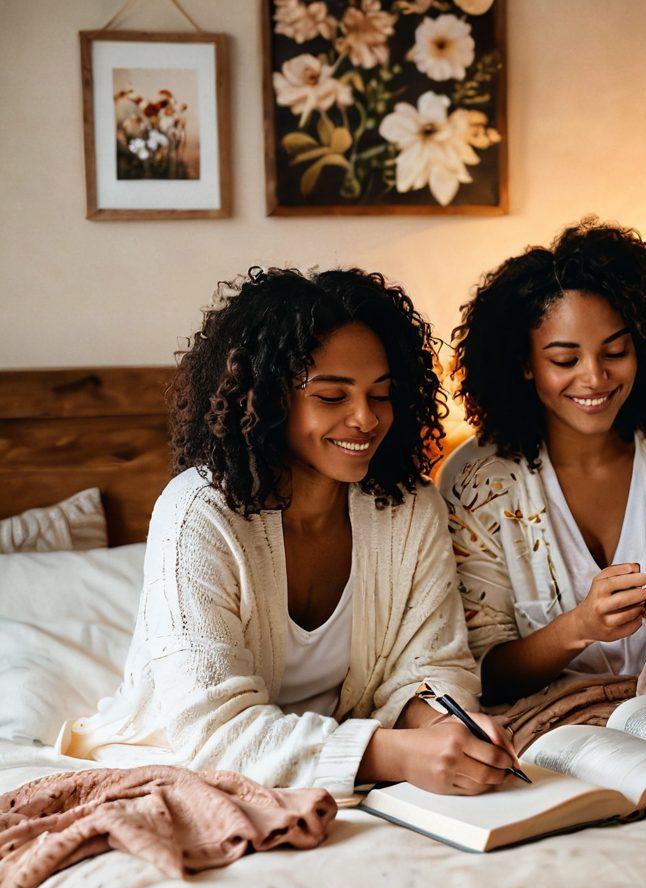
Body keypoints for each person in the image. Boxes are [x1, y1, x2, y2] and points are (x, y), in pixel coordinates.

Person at [60, 267, 519, 798]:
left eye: (381, 393)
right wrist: (396, 754)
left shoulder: (409, 508)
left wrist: (444, 728)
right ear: (270, 398)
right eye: (332, 397)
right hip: (179, 764)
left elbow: (430, 666)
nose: (366, 419)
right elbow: (213, 732)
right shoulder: (197, 515)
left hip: (352, 774)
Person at [441, 220, 646, 706]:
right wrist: (580, 627)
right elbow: (481, 673)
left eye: (615, 351)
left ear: (643, 348)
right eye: (565, 361)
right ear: (524, 363)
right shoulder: (476, 480)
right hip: (556, 718)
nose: (594, 377)